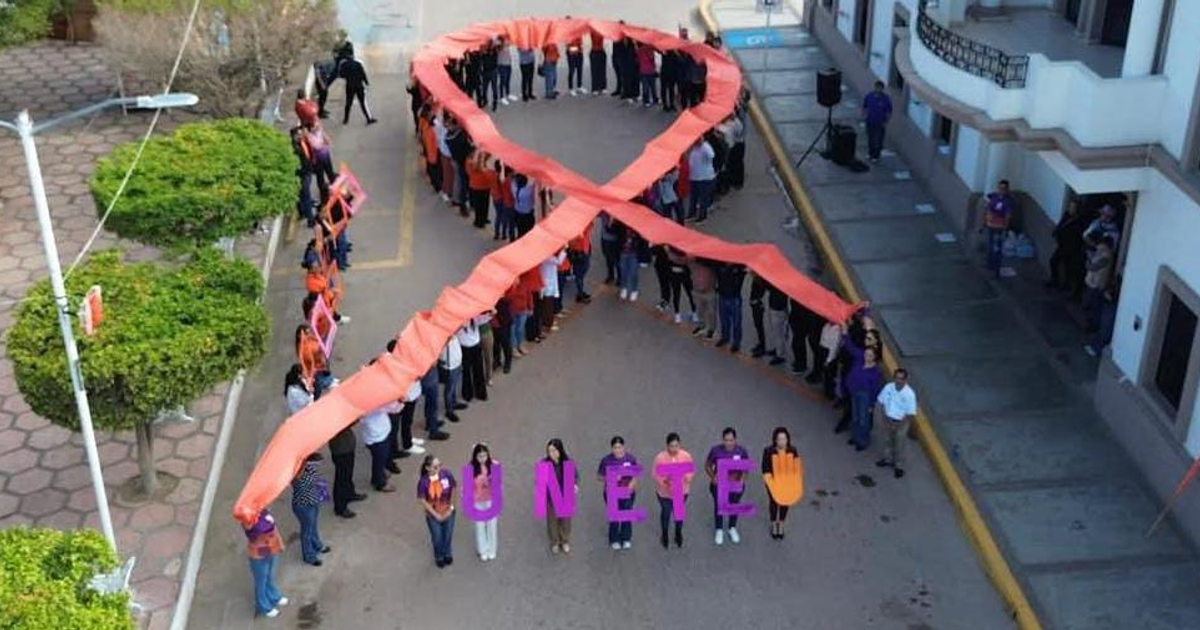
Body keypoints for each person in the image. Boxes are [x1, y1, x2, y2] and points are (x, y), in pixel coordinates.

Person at [705, 427, 750, 545]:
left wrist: (743, 480)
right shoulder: (715, 451)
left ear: (735, 440)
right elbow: (707, 465)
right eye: (726, 440)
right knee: (719, 507)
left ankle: (732, 528)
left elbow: (746, 468)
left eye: (731, 440)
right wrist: (713, 477)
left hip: (735, 485)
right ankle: (719, 529)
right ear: (722, 440)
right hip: (719, 485)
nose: (728, 443)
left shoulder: (741, 451)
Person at [652, 432, 694, 549]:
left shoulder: (686, 456)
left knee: (678, 514)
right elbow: (656, 474)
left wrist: (684, 478)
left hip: (681, 492)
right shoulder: (660, 458)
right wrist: (665, 481)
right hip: (664, 494)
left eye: (676, 446)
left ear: (680, 445)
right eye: (671, 446)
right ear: (667, 446)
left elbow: (690, 472)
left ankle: (678, 533)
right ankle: (664, 534)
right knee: (666, 513)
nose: (674, 449)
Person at [874, 368, 918, 478]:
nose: (898, 381)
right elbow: (882, 402)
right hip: (887, 419)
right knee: (887, 440)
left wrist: (898, 425)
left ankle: (899, 466)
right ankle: (887, 459)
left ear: (906, 379)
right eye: (897, 378)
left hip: (901, 423)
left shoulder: (909, 394)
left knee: (899, 445)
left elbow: (909, 413)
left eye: (901, 379)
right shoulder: (888, 387)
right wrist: (885, 418)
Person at [244, 510, 288, 618]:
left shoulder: (264, 512)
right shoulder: (248, 518)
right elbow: (250, 533)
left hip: (271, 548)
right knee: (261, 581)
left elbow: (274, 527)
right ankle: (263, 606)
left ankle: (273, 596)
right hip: (258, 553)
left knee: (269, 575)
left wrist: (280, 542)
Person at [598, 436, 639, 550]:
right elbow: (599, 477)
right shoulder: (606, 460)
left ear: (624, 447)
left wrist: (632, 485)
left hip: (627, 492)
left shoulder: (630, 459)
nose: (618, 450)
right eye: (615, 448)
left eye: (620, 447)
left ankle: (626, 538)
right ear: (612, 449)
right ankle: (614, 539)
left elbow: (635, 475)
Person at [417, 455, 457, 568]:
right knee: (437, 537)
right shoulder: (423, 482)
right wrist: (435, 515)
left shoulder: (446, 474)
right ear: (427, 468)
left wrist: (451, 508)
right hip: (433, 514)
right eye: (435, 467)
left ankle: (447, 552)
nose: (438, 469)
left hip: (448, 510)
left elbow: (454, 488)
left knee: (448, 534)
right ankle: (439, 555)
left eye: (440, 465)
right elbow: (422, 499)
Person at [291, 453, 330, 566]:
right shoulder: (298, 476)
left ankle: (317, 545)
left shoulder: (309, 470)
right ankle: (309, 556)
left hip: (313, 502)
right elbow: (297, 479)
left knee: (313, 526)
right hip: (304, 506)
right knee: (307, 531)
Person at [762, 427, 801, 539]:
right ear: (775, 440)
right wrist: (771, 483)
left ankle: (781, 523)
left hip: (787, 482)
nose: (782, 441)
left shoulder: (792, 450)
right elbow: (765, 469)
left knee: (785, 502)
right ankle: (774, 523)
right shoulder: (768, 451)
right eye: (780, 439)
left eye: (784, 439)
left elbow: (796, 466)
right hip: (773, 482)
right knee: (774, 502)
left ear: (787, 440)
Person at [543, 438, 579, 554]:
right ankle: (555, 542)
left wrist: (574, 484)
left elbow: (575, 476)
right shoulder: (545, 464)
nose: (552, 454)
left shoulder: (568, 462)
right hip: (552, 497)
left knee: (565, 520)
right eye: (549, 451)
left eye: (554, 450)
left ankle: (564, 540)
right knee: (552, 521)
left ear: (560, 450)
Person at [1046, 200, 1088, 295]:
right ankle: (1054, 280)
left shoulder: (1080, 220)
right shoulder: (1066, 215)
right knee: (1053, 261)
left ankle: (1067, 286)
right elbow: (1061, 225)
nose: (1071, 209)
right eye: (1070, 207)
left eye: (1073, 207)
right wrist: (1056, 232)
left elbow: (1078, 234)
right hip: (1062, 245)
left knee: (1069, 267)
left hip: (1072, 247)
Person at [847, 346, 884, 451]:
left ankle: (863, 441)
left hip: (866, 396)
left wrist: (871, 404)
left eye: (870, 355)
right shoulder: (860, 363)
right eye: (866, 354)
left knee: (864, 420)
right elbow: (852, 349)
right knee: (855, 416)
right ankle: (855, 437)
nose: (867, 357)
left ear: (874, 357)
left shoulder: (875, 372)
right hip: (855, 392)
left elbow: (875, 390)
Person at [468, 443, 499, 561]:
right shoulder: (470, 468)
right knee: (479, 526)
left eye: (485, 456)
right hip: (477, 501)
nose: (483, 459)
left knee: (492, 526)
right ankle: (483, 550)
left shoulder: (494, 465)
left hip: (491, 500)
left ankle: (492, 549)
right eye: (480, 456)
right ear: (475, 457)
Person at [329, 419, 365, 518]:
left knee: (348, 473)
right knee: (342, 477)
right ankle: (340, 507)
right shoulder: (329, 417)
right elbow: (339, 427)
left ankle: (349, 493)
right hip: (341, 449)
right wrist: (354, 420)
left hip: (346, 446)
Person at [361, 401, 396, 493]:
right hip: (377, 436)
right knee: (379, 460)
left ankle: (380, 473)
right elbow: (394, 409)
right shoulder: (372, 405)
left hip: (376, 434)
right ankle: (379, 482)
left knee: (380, 458)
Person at [1083, 236, 1115, 333]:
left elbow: (1092, 267)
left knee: (1095, 306)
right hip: (1092, 282)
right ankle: (1090, 322)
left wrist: (1088, 259)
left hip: (1097, 285)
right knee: (1090, 304)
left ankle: (1093, 325)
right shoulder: (1100, 252)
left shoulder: (1106, 256)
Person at [981, 180, 1014, 276]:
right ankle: (990, 264)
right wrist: (983, 224)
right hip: (990, 225)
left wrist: (1005, 229)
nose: (1001, 190)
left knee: (997, 248)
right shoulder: (994, 197)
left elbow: (1007, 216)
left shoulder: (1007, 202)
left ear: (1007, 190)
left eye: (1003, 188)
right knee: (991, 246)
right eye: (1000, 188)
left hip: (999, 228)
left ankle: (996, 269)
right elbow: (987, 209)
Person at [338, 52, 377, 125]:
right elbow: (363, 74)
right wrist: (366, 82)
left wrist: (347, 76)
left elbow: (341, 75)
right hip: (359, 86)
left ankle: (345, 120)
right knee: (363, 103)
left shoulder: (344, 65)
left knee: (348, 103)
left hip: (350, 86)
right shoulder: (358, 64)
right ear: (353, 57)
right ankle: (368, 119)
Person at [715, 263, 746, 353]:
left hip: (734, 298)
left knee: (736, 322)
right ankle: (725, 338)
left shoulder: (739, 267)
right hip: (723, 297)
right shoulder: (719, 265)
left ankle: (736, 343)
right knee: (724, 320)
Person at [459, 315, 489, 403]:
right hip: (465, 349)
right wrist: (461, 325)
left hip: (476, 346)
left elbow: (483, 319)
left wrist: (491, 314)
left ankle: (481, 393)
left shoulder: (474, 318)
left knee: (479, 370)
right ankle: (468, 395)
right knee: (466, 372)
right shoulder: (458, 323)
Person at [861, 81, 892, 163]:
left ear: (882, 89)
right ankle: (870, 153)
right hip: (870, 121)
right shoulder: (869, 96)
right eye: (877, 87)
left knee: (878, 140)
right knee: (870, 138)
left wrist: (886, 122)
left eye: (880, 88)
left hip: (880, 123)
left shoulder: (885, 99)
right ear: (874, 87)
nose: (878, 89)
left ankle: (876, 156)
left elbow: (888, 111)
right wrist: (864, 116)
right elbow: (865, 106)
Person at [687, 138, 717, 223]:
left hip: (705, 178)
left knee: (703, 199)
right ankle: (692, 214)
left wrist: (702, 145)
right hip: (694, 177)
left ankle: (702, 217)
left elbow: (711, 155)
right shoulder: (694, 148)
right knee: (693, 198)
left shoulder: (706, 147)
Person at [439, 333, 466, 423]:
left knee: (454, 385)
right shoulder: (441, 334)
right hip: (449, 365)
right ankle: (449, 410)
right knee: (449, 389)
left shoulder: (453, 329)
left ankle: (454, 402)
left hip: (456, 362)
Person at [690, 257, 718, 340]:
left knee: (711, 312)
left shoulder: (712, 266)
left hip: (709, 292)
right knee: (700, 311)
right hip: (698, 291)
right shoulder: (693, 263)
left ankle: (712, 329)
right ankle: (701, 326)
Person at [421, 365, 451, 441]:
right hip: (429, 375)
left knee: (429, 401)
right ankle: (433, 431)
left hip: (427, 374)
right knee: (433, 404)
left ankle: (429, 423)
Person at [568, 222, 593, 303]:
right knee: (579, 275)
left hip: (582, 252)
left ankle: (580, 292)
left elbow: (590, 225)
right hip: (580, 254)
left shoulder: (581, 228)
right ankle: (580, 294)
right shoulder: (579, 230)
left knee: (580, 274)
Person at [765, 283, 789, 365]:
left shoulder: (779, 282)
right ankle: (778, 350)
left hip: (778, 308)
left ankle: (781, 355)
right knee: (777, 332)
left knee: (779, 333)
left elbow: (768, 287)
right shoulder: (779, 280)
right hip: (776, 307)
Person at [617, 224, 641, 301]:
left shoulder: (639, 227)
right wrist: (610, 222)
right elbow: (612, 230)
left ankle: (634, 290)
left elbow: (643, 240)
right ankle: (624, 288)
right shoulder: (621, 225)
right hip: (623, 253)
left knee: (633, 273)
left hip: (634, 253)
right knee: (623, 272)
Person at [637, 43, 658, 107]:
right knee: (653, 86)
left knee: (645, 87)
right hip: (650, 71)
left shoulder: (640, 50)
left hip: (643, 71)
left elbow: (638, 60)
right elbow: (651, 58)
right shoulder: (649, 48)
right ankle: (654, 99)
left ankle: (646, 101)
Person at [496, 36, 513, 105]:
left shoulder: (507, 40)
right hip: (502, 64)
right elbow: (498, 50)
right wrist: (503, 43)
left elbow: (511, 43)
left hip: (508, 64)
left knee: (508, 80)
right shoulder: (497, 41)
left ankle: (508, 94)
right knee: (503, 81)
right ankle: (501, 97)